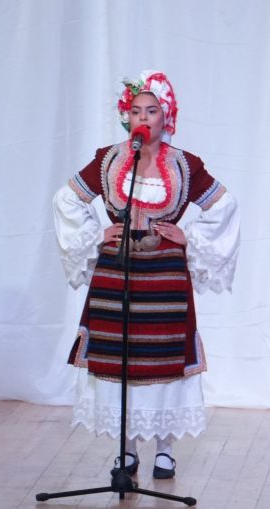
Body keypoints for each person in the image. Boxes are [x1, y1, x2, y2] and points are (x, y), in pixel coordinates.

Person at [52, 70, 240, 479]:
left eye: (152, 110)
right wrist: (97, 234)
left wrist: (188, 237)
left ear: (165, 115)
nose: (143, 117)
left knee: (164, 358)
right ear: (127, 115)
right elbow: (67, 198)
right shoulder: (109, 159)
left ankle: (165, 449)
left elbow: (224, 205)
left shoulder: (184, 164)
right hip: (116, 270)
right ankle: (127, 448)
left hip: (165, 273)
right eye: (136, 110)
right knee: (119, 356)